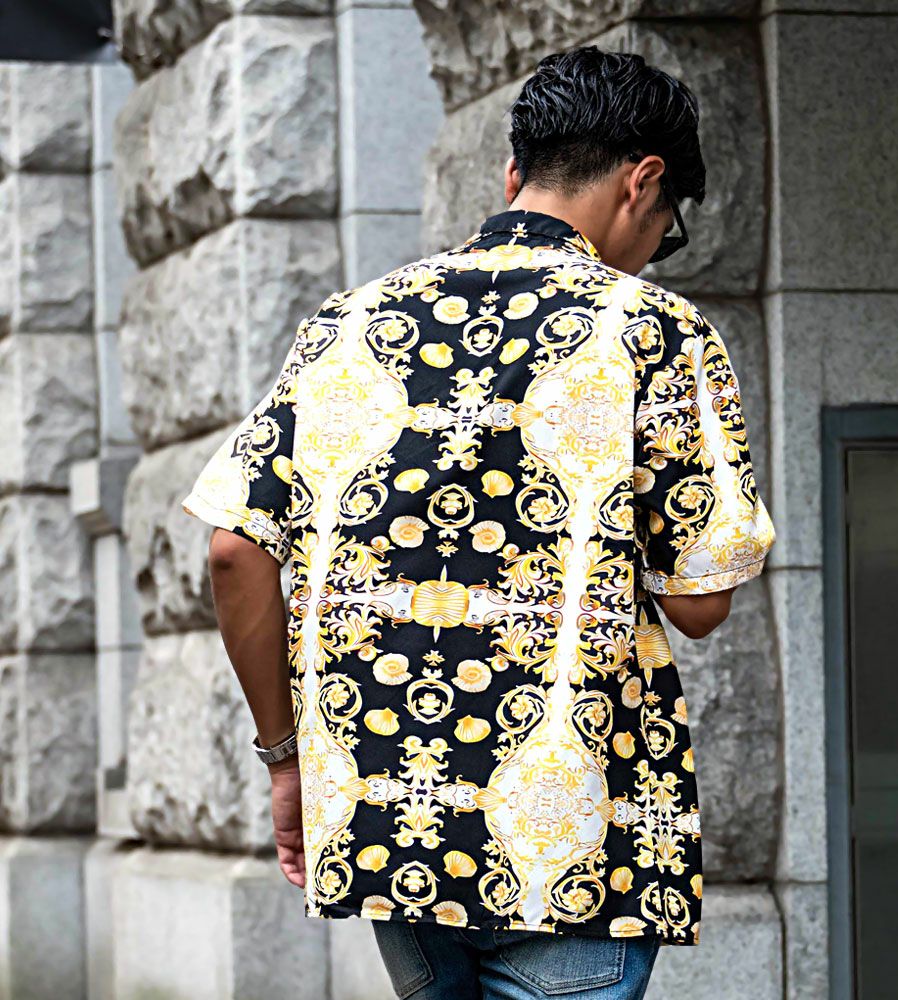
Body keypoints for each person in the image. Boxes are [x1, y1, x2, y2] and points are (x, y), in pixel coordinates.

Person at [181, 44, 775, 1000]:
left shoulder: (348, 326)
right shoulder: (655, 330)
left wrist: (286, 760)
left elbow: (232, 550)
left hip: (392, 824)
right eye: (664, 231)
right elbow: (700, 603)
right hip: (573, 828)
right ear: (644, 182)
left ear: (513, 175)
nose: (650, 253)